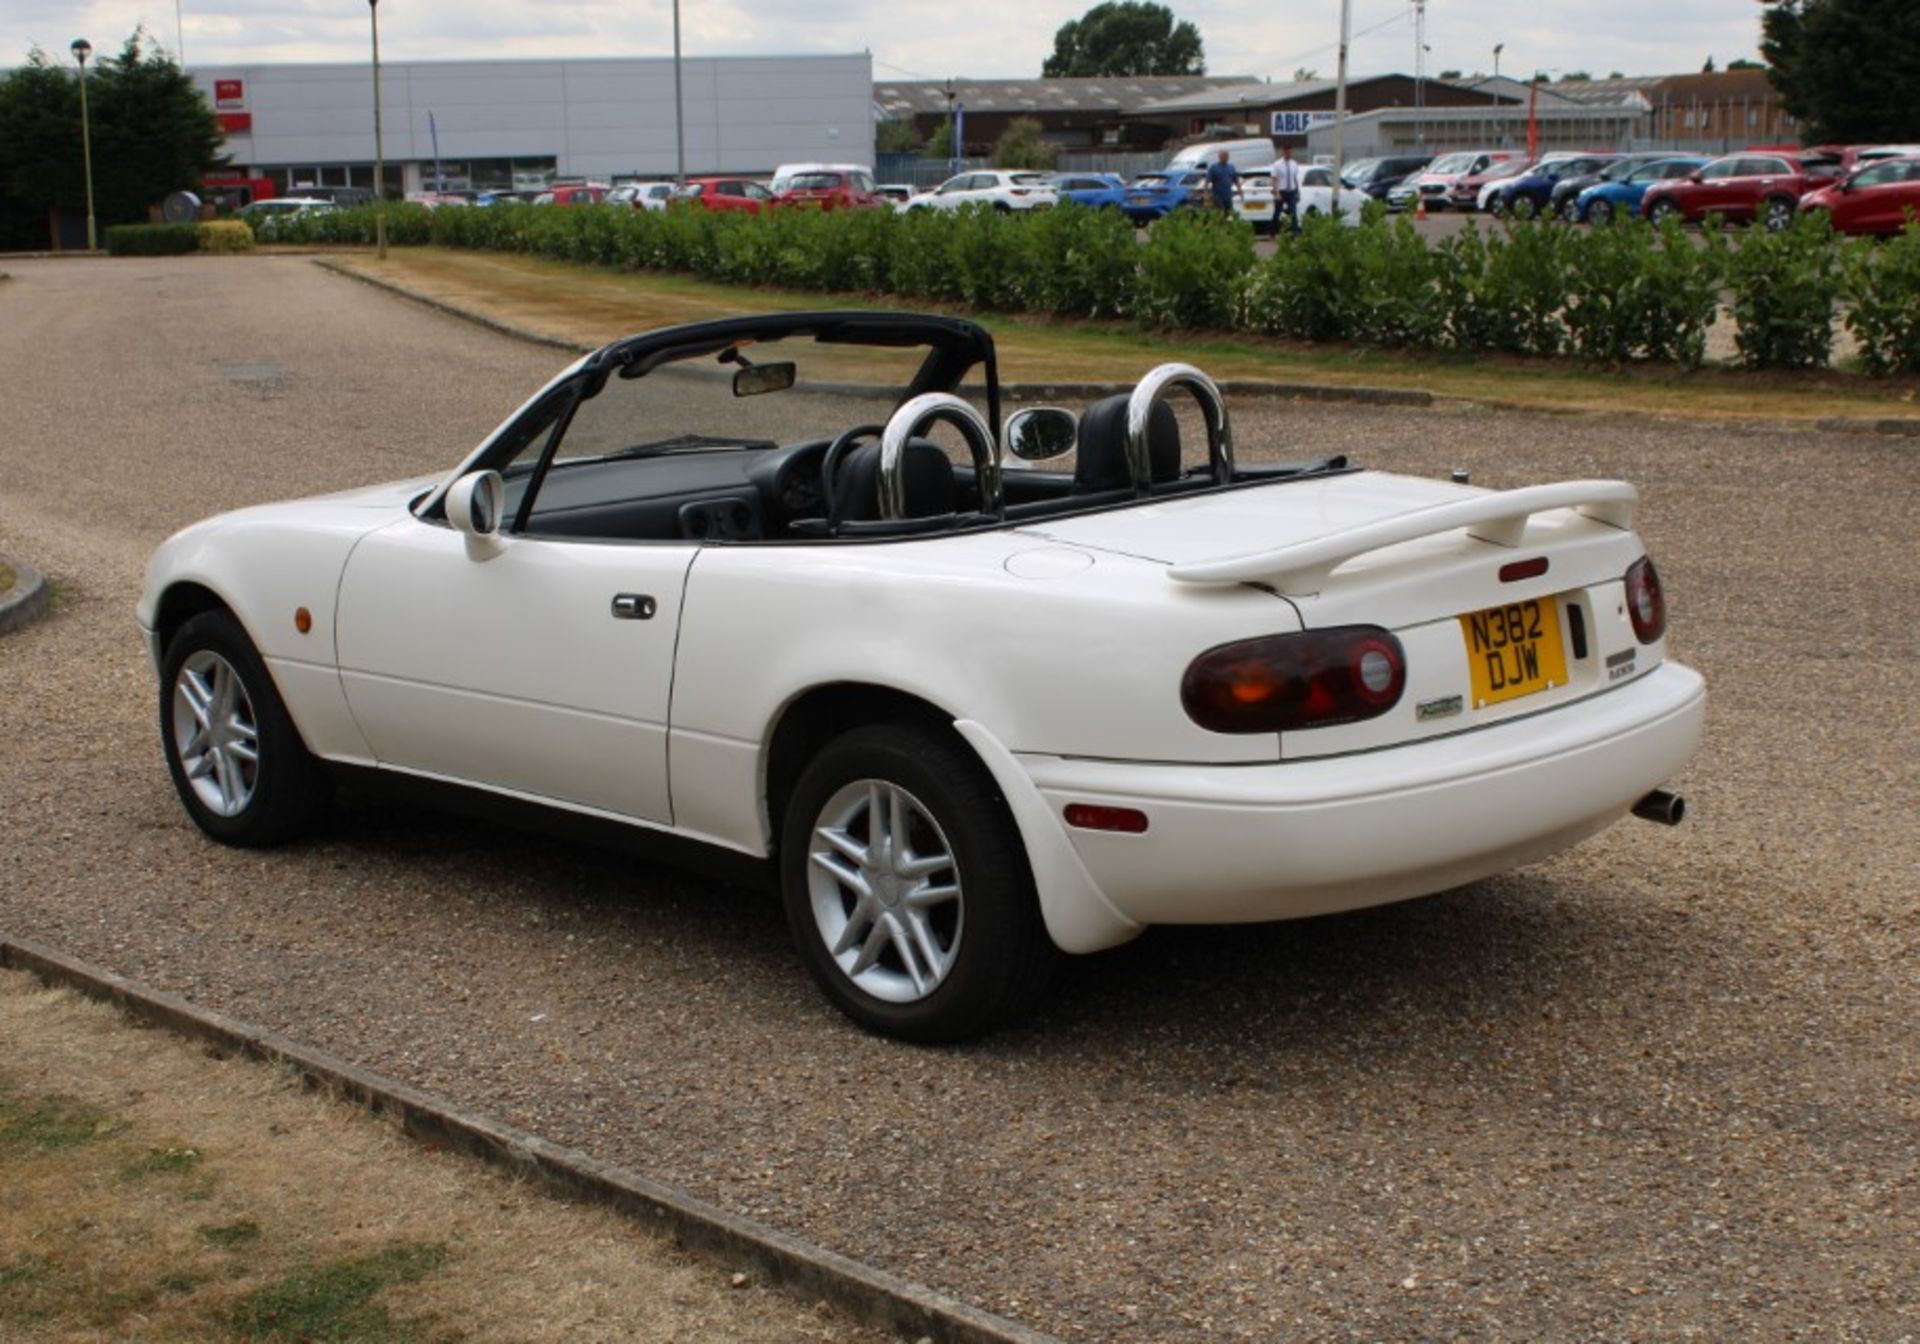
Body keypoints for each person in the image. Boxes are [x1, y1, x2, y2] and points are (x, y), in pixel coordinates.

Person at [1269, 144, 1303, 234]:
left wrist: (1297, 191)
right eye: (1286, 151)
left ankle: (1294, 232)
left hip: (1291, 191)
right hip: (1281, 191)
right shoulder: (1277, 164)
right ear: (1283, 152)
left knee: (1293, 212)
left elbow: (1295, 178)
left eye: (1290, 152)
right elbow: (1273, 179)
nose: (1288, 153)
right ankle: (1273, 232)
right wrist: (1277, 193)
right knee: (1277, 212)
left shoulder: (1294, 164)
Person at [1205, 149, 1242, 216]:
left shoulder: (1231, 167)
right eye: (1223, 156)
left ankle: (1227, 225)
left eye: (1226, 156)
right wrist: (1206, 194)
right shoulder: (1213, 168)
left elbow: (1236, 180)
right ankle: (1220, 225)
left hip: (1228, 195)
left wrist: (1240, 191)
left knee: (1228, 214)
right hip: (1217, 196)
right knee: (1220, 213)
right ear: (1219, 157)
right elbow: (1207, 182)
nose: (1225, 158)